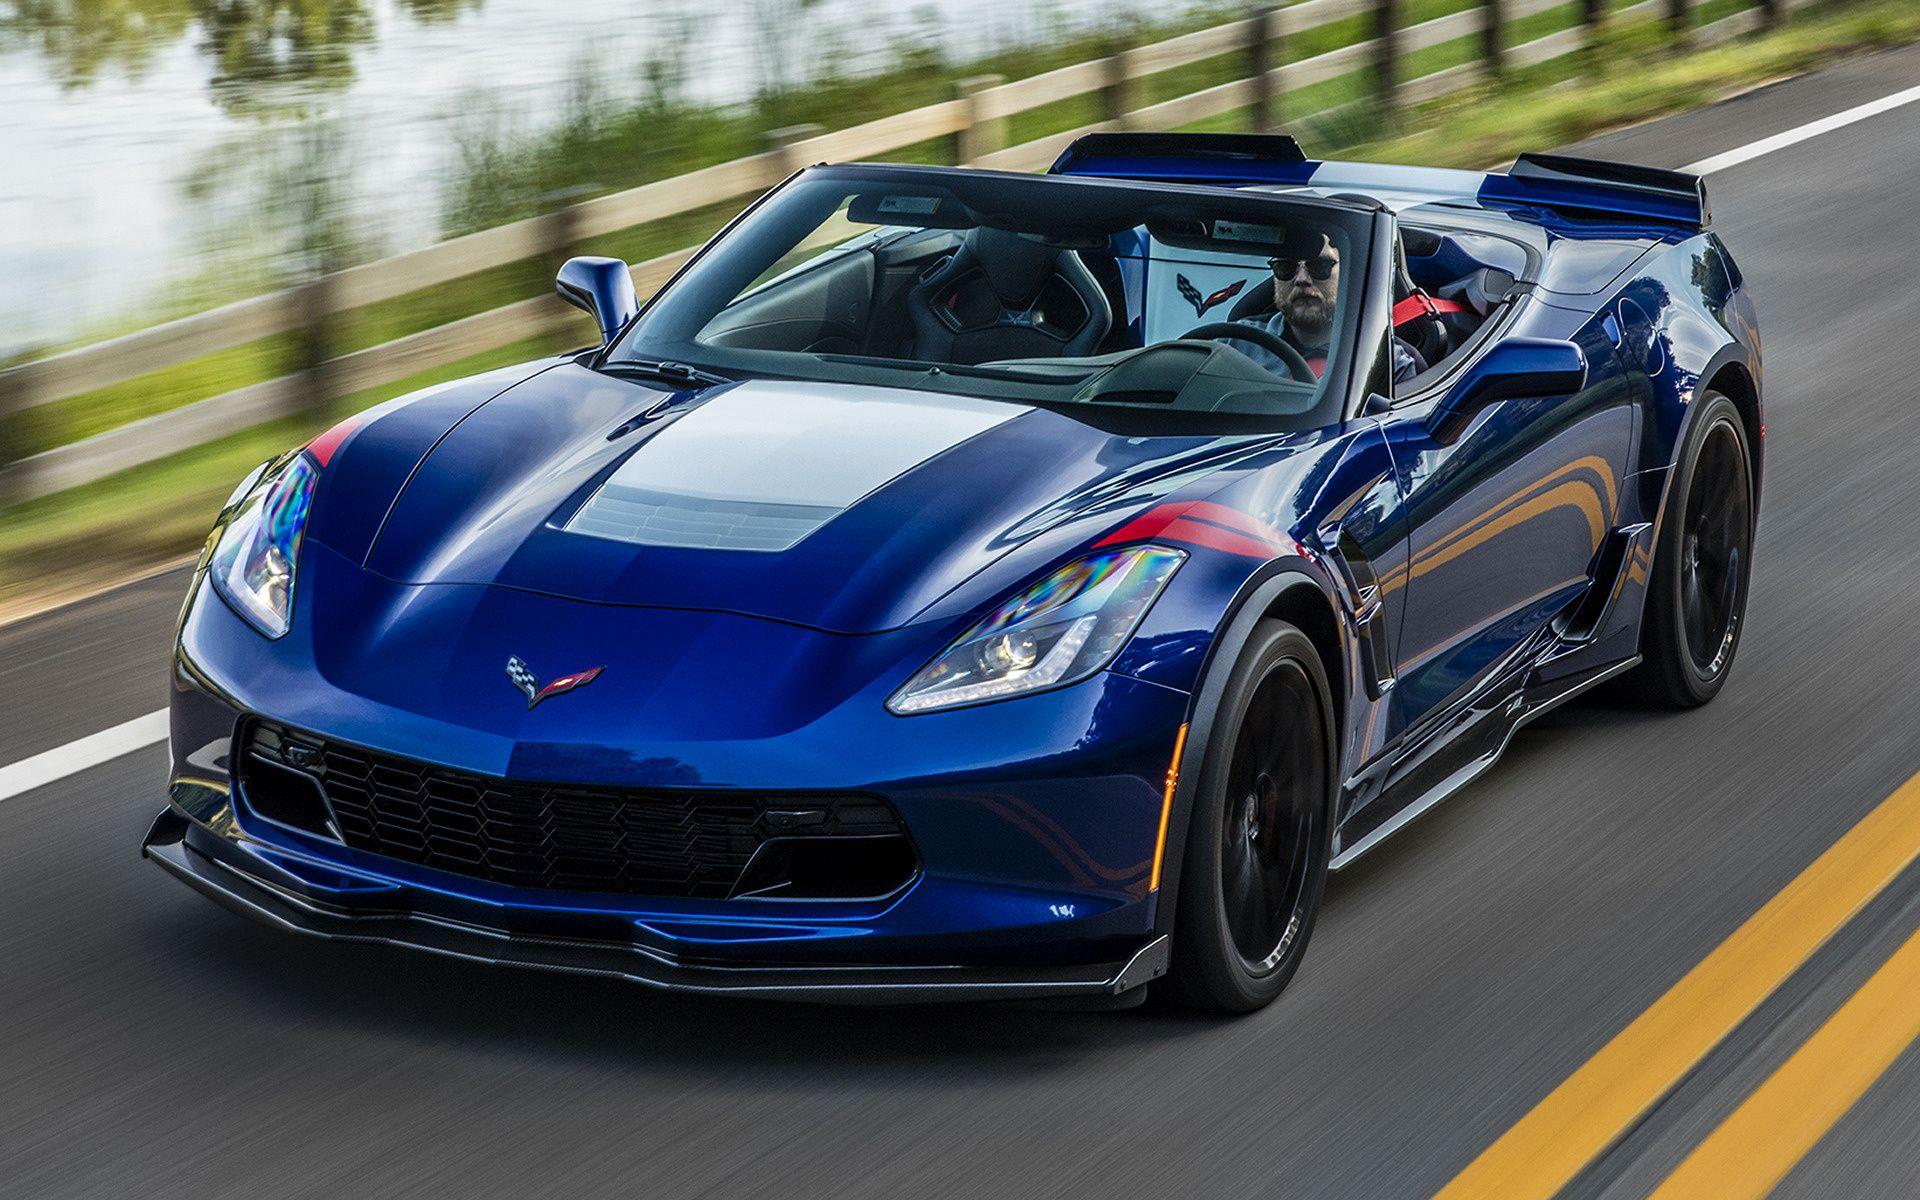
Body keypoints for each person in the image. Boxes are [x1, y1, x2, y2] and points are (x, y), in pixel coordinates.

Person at [1227, 235, 1428, 385]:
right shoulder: (1233, 345)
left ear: (1352, 272)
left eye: (1320, 265)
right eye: (1285, 267)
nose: (1301, 279)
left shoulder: (1387, 364)